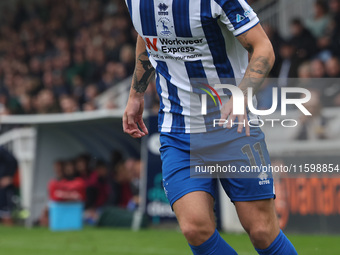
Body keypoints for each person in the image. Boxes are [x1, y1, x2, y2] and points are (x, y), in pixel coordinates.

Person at [123, 1, 297, 254]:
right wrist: (136, 95)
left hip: (234, 128)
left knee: (262, 231)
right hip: (178, 131)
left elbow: (263, 49)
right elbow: (146, 35)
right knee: (194, 228)